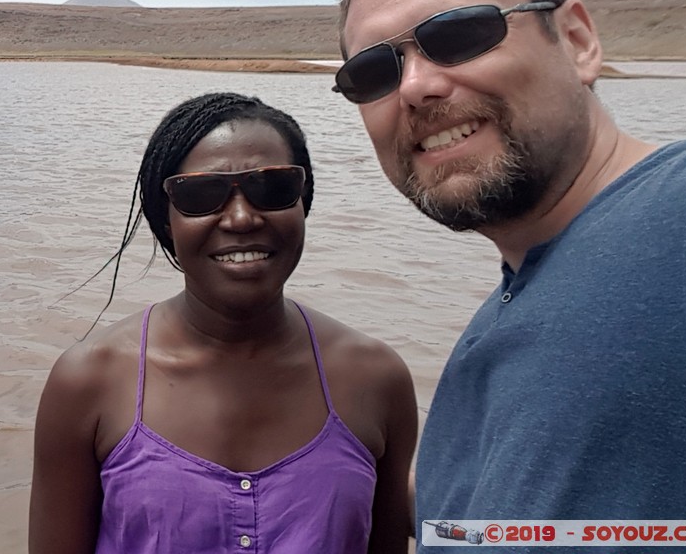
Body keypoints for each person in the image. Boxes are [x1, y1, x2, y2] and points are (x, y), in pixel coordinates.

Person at [334, 0, 686, 542]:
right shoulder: (496, 326)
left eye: (460, 34)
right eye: (374, 73)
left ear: (576, 41)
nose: (415, 86)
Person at [29, 92, 417, 554]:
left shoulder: (375, 378)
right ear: (166, 220)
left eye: (271, 188)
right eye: (201, 195)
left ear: (302, 203)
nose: (240, 217)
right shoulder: (89, 382)